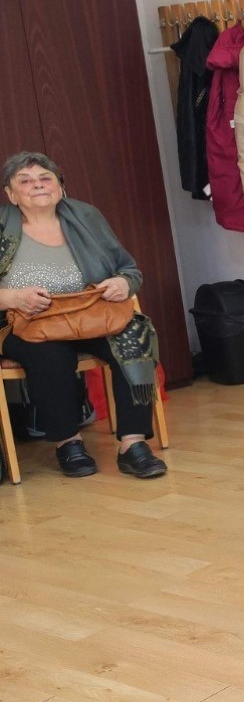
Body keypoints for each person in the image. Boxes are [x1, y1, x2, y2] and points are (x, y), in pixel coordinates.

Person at [0, 152, 166, 479]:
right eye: (26, 181)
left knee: (135, 336)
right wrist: (12, 297)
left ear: (60, 185)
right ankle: (68, 443)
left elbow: (129, 269)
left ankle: (133, 444)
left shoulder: (86, 216)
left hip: (90, 314)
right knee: (50, 355)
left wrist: (122, 283)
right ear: (11, 194)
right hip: (25, 323)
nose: (37, 185)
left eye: (45, 178)